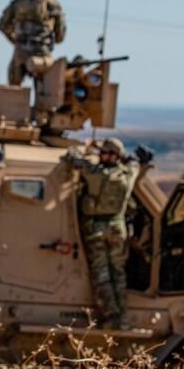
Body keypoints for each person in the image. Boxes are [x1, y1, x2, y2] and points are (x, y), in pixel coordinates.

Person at [64, 138, 140, 329]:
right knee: (118, 273)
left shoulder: (95, 173)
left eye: (104, 153)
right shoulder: (128, 173)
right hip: (117, 229)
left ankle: (111, 316)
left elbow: (73, 157)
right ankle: (122, 318)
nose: (101, 156)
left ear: (113, 155)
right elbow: (134, 163)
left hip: (96, 230)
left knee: (101, 275)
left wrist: (84, 147)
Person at [0, 0, 66, 85]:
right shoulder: (53, 4)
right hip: (41, 51)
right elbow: (60, 36)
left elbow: (2, 25)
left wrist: (14, 39)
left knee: (12, 89)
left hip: (20, 50)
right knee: (46, 92)